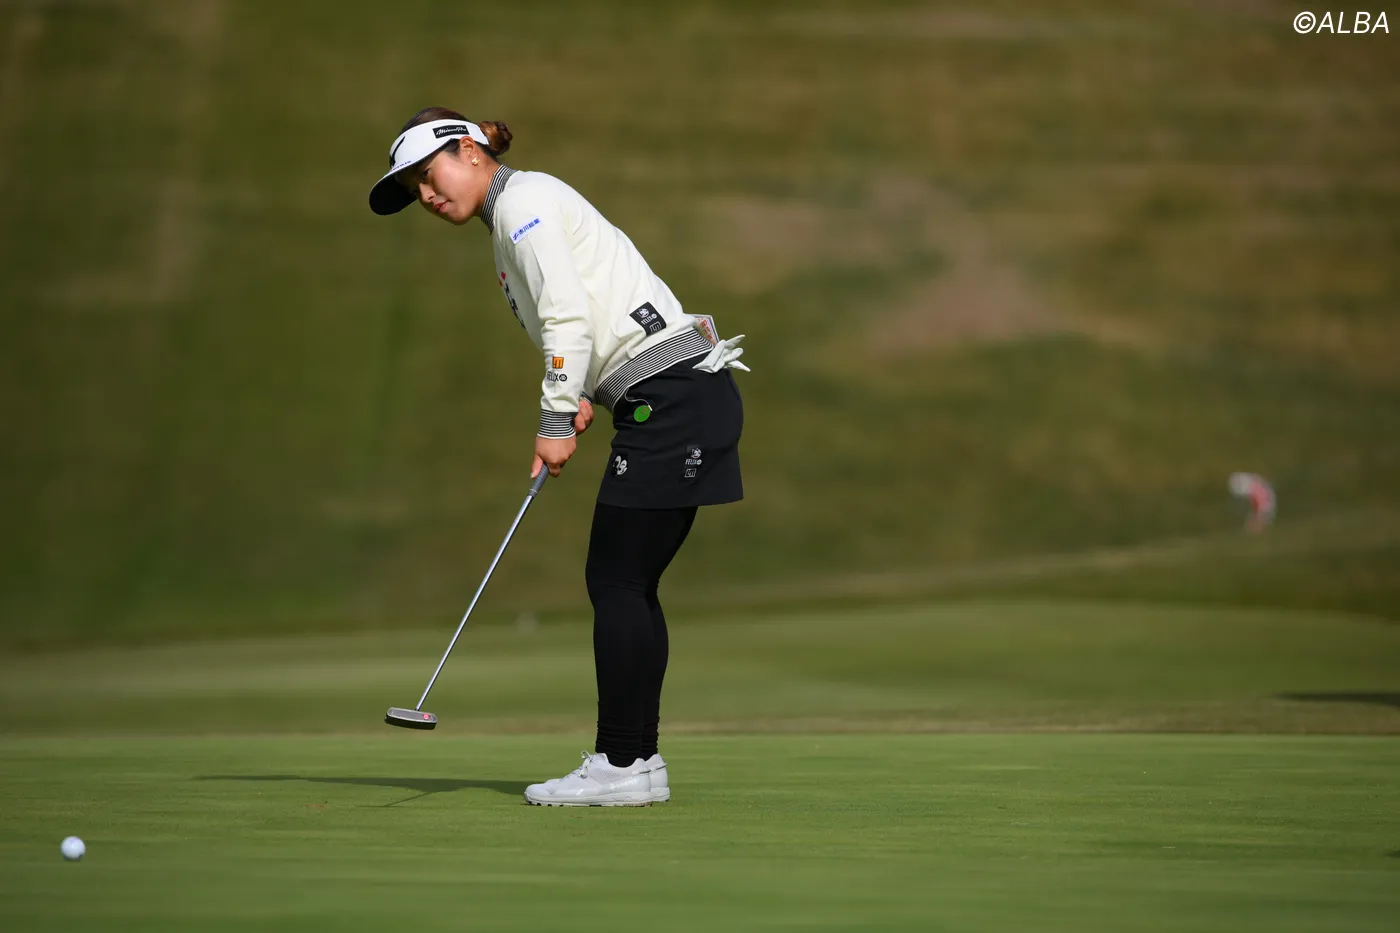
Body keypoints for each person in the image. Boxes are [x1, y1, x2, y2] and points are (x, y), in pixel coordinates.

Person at [368, 108, 749, 806]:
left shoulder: (524, 203)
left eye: (428, 174)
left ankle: (622, 762)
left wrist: (553, 415)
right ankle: (637, 761)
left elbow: (567, 314)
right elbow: (586, 315)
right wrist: (577, 394)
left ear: (470, 151)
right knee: (627, 581)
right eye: (414, 188)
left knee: (618, 580)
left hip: (672, 396)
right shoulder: (515, 217)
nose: (425, 194)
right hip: (672, 393)